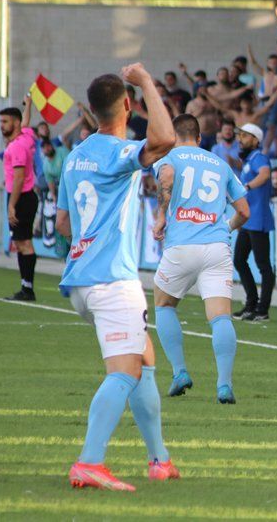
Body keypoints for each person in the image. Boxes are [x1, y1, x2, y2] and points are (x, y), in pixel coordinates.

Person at [55, 64, 179, 490]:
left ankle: (159, 459)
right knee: (124, 372)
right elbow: (164, 140)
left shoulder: (75, 157)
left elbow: (64, 225)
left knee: (144, 361)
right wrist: (146, 81)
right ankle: (90, 461)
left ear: (89, 112)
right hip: (112, 280)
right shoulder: (115, 151)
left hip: (82, 280)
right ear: (127, 105)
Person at [150, 114, 250, 405]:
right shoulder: (220, 163)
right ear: (199, 136)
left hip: (182, 244)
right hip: (217, 247)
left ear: (174, 133)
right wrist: (225, 229)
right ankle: (224, 385)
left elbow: (166, 177)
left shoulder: (170, 156)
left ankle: (180, 372)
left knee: (164, 304)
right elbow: (244, 211)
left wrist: (160, 218)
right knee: (220, 316)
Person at [232, 124, 274, 322]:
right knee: (239, 260)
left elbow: (265, 174)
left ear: (256, 140)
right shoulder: (249, 160)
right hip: (249, 220)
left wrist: (247, 186)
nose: (240, 139)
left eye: (245, 136)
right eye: (240, 135)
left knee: (263, 265)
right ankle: (251, 304)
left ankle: (262, 309)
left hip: (258, 219)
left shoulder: (259, 158)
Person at [0, 107, 38, 301]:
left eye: (5, 121)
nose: (1, 126)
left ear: (15, 122)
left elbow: (19, 177)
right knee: (20, 242)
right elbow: (26, 124)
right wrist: (28, 105)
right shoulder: (26, 136)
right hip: (25, 196)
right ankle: (26, 286)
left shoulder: (16, 146)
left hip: (21, 197)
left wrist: (11, 205)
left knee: (24, 243)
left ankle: (27, 288)